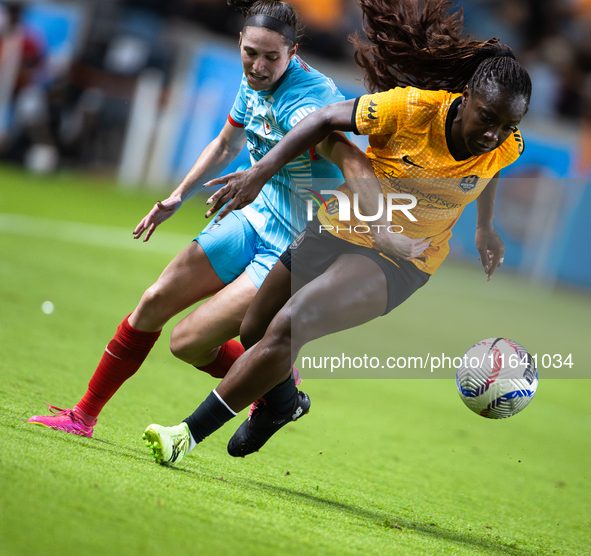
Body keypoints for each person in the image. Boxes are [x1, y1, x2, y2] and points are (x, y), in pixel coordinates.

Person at [140, 0, 532, 466]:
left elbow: (489, 168)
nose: (496, 133)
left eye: (509, 125)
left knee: (289, 325)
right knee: (254, 330)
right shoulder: (410, 109)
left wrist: (486, 229)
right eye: (488, 118)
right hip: (339, 223)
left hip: (401, 258)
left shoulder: (507, 143)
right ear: (466, 97)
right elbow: (322, 120)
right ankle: (283, 406)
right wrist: (261, 172)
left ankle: (186, 434)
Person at [27, 0, 362, 437]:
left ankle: (275, 385)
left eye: (270, 57)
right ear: (240, 42)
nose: (257, 66)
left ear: (293, 52)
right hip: (256, 214)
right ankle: (82, 416)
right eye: (250, 52)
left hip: (295, 245)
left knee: (187, 344)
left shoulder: (308, 102)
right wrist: (177, 195)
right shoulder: (254, 83)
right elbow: (226, 143)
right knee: (152, 302)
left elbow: (350, 162)